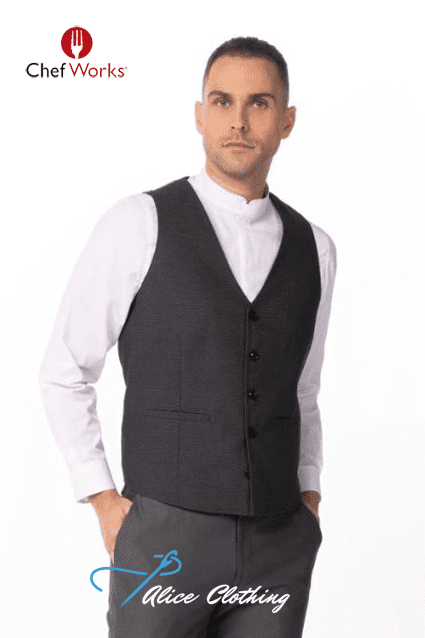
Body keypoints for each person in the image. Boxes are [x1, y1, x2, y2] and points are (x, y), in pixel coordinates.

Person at [39, 36, 337, 637]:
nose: (238, 120)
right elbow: (65, 370)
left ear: (286, 121)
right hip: (164, 537)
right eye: (222, 101)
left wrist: (309, 495)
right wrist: (104, 501)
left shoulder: (317, 248)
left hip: (279, 543)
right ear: (200, 115)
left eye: (258, 103)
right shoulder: (138, 222)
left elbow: (302, 390)